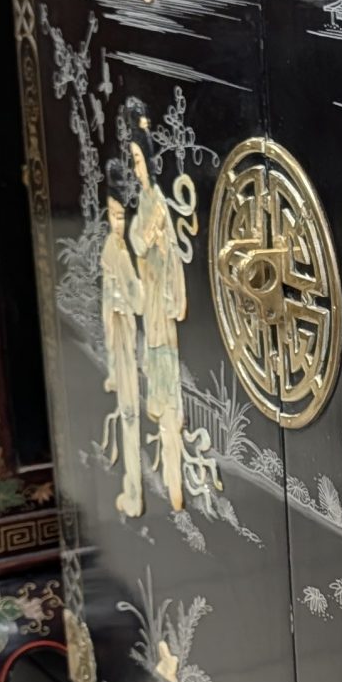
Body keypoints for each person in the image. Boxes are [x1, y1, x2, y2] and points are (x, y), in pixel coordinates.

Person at [129, 140, 188, 512]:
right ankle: (172, 485)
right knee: (159, 383)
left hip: (161, 309)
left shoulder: (159, 204)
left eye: (138, 159)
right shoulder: (146, 203)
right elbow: (139, 242)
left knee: (167, 389)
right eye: (133, 160)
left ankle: (175, 483)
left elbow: (162, 249)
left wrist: (156, 240)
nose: (136, 167)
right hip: (152, 305)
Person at [99, 193, 144, 517]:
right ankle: (134, 491)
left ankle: (134, 490)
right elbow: (136, 301)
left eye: (122, 217)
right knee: (129, 413)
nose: (119, 224)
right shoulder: (117, 252)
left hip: (121, 336)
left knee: (129, 412)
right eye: (114, 216)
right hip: (122, 337)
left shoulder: (116, 250)